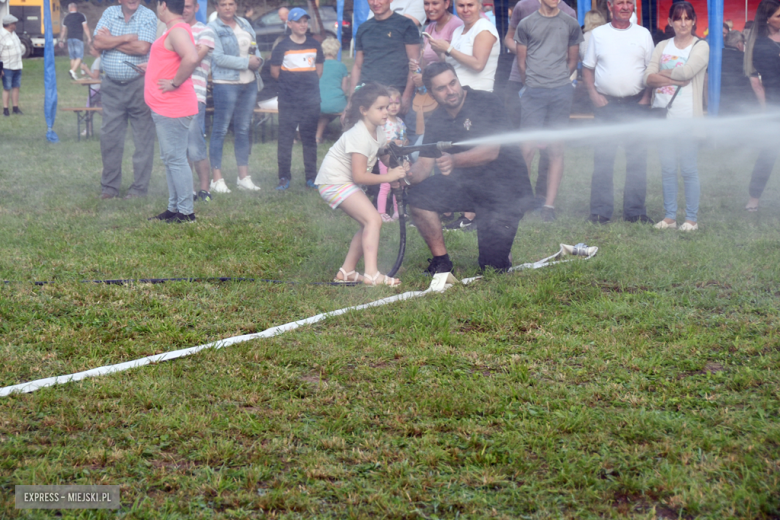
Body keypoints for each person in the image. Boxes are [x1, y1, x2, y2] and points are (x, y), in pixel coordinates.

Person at [406, 62, 534, 274]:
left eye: (452, 83)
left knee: (492, 268)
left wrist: (454, 161)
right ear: (431, 93)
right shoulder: (437, 119)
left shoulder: (487, 102)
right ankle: (441, 262)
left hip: (505, 190)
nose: (450, 91)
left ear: (458, 79)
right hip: (467, 186)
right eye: (441, 88)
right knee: (418, 197)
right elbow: (424, 165)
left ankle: (500, 248)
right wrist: (406, 177)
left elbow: (491, 150)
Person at [314, 83, 406, 286]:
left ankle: (346, 272)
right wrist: (388, 177)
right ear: (364, 111)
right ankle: (372, 274)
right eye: (380, 108)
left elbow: (383, 156)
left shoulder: (378, 131)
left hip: (340, 182)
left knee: (368, 222)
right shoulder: (359, 135)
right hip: (334, 182)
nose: (386, 111)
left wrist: (397, 170)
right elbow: (360, 176)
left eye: (387, 106)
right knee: (374, 220)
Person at [582, 0, 654, 225]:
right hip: (607, 106)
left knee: (637, 160)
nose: (625, 6)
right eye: (620, 2)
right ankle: (600, 212)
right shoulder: (598, 35)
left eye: (629, 2)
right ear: (610, 6)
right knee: (603, 158)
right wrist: (594, 95)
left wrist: (645, 98)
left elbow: (652, 71)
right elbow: (587, 68)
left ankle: (635, 212)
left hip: (636, 104)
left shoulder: (643, 34)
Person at [504, 0, 576, 211]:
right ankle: (519, 199)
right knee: (523, 145)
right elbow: (510, 37)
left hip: (555, 85)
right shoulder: (522, 7)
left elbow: (571, 56)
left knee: (553, 147)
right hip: (521, 81)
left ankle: (545, 201)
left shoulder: (569, 14)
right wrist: (523, 52)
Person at [645, 1, 709, 231]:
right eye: (678, 18)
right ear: (670, 21)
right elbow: (648, 77)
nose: (682, 23)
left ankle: (691, 218)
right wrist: (673, 78)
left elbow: (689, 71)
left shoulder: (701, 46)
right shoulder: (662, 45)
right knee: (668, 168)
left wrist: (661, 75)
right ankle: (670, 217)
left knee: (689, 169)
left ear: (693, 21)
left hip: (688, 119)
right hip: (663, 116)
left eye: (687, 18)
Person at [93, 0, 158, 199]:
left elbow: (143, 48)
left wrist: (111, 40)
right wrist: (128, 37)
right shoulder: (109, 13)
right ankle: (110, 187)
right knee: (110, 137)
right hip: (111, 86)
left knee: (142, 139)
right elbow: (97, 43)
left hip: (139, 86)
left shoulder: (148, 16)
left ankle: (139, 189)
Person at [145, 0, 199, 222]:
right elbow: (172, 59)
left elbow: (192, 58)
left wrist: (175, 83)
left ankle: (186, 213)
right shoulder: (174, 30)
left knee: (176, 159)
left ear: (163, 5)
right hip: (165, 106)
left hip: (174, 106)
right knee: (171, 159)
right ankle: (174, 208)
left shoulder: (177, 30)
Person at [208, 0, 263, 194]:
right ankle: (217, 179)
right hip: (226, 84)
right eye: (223, 4)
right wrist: (246, 62)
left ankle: (243, 178)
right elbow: (218, 58)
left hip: (249, 84)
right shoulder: (212, 28)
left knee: (243, 129)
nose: (228, 7)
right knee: (220, 130)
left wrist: (259, 60)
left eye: (231, 3)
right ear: (216, 7)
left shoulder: (245, 23)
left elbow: (255, 48)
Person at [270, 7, 324, 191]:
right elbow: (275, 72)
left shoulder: (315, 45)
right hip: (288, 101)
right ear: (290, 24)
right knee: (285, 140)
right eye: (298, 21)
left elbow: (319, 70)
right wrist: (292, 86)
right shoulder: (282, 46)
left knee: (309, 140)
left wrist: (306, 87)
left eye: (305, 21)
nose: (302, 25)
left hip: (311, 101)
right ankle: (284, 177)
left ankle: (311, 177)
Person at [351, 0, 420, 116]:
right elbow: (357, 66)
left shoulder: (406, 25)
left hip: (395, 95)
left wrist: (407, 96)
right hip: (368, 94)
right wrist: (351, 100)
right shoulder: (363, 28)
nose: (375, 2)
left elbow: (414, 63)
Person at [407, 0, 462, 143]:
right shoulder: (430, 27)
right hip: (428, 92)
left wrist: (425, 78)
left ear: (446, 3)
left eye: (435, 3)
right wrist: (418, 71)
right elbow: (425, 60)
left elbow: (454, 66)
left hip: (446, 94)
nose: (430, 8)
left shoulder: (456, 26)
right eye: (426, 3)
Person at [744, 0, 780, 212]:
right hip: (776, 106)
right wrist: (767, 110)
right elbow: (757, 82)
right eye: (778, 16)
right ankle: (753, 200)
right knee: (768, 153)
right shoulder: (762, 45)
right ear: (767, 19)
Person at [182, 0, 216, 202]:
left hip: (195, 94)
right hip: (173, 95)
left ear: (196, 8)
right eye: (182, 6)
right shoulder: (171, 31)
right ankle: (189, 189)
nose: (184, 9)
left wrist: (180, 52)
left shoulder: (205, 31)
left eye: (188, 6)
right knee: (180, 147)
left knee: (195, 145)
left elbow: (194, 58)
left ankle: (205, 188)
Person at [428, 0, 500, 92]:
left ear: (479, 6)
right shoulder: (458, 30)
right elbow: (452, 64)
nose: (465, 10)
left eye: (470, 5)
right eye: (461, 5)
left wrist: (449, 49)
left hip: (478, 94)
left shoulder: (484, 27)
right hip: (457, 95)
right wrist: (439, 51)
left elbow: (478, 65)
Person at [377, 87, 407, 222]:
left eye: (397, 103)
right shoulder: (383, 122)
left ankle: (397, 211)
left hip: (399, 158)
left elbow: (404, 139)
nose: (394, 106)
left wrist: (404, 143)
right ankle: (381, 212)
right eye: (390, 103)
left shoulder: (400, 122)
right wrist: (392, 142)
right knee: (386, 185)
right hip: (386, 159)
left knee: (398, 185)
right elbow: (380, 141)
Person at [315, 37, 349, 145]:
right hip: (335, 103)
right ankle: (342, 136)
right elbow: (344, 89)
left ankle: (318, 135)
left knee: (324, 111)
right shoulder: (342, 66)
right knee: (333, 108)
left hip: (316, 101)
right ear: (337, 50)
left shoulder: (317, 65)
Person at [720, 30, 758, 115]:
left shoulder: (716, 56)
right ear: (739, 44)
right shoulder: (745, 58)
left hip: (721, 104)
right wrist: (763, 106)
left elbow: (706, 80)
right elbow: (755, 83)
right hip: (744, 104)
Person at [60, 3, 92, 81]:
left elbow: (63, 30)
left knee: (72, 57)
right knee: (79, 57)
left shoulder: (66, 17)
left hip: (69, 38)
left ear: (70, 9)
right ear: (76, 8)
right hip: (78, 38)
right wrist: (89, 37)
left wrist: (61, 40)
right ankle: (72, 71)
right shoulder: (81, 16)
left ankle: (73, 75)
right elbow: (85, 27)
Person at [0, 15, 23, 116]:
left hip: (17, 65)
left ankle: (15, 108)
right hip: (7, 66)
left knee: (16, 87)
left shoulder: (14, 34)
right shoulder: (1, 35)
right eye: (14, 23)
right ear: (9, 24)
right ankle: (5, 109)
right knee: (7, 88)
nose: (15, 25)